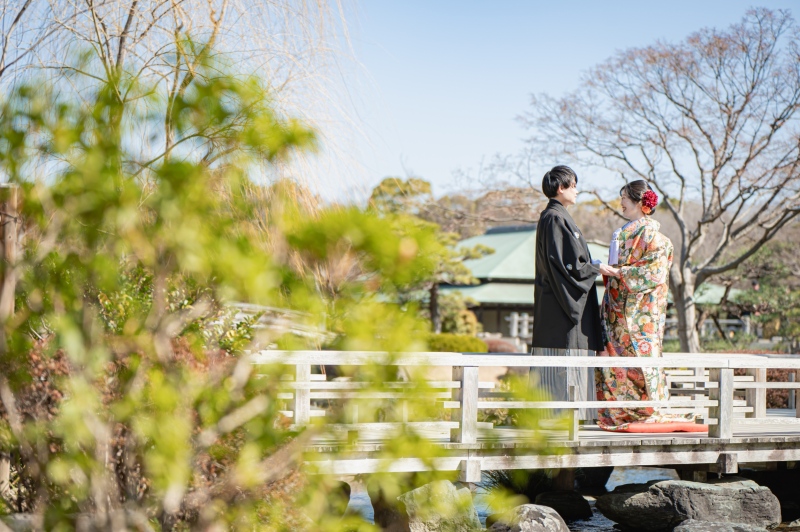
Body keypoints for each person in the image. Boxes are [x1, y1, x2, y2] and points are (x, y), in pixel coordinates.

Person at [595, 180, 692, 430]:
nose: (621, 202)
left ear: (640, 201)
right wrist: (615, 273)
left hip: (640, 312)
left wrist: (619, 273)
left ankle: (642, 411)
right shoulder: (623, 233)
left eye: (624, 197)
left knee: (642, 359)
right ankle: (620, 413)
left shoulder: (655, 237)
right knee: (616, 359)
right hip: (615, 309)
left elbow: (654, 272)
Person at [531, 165, 608, 420]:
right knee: (564, 372)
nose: (577, 191)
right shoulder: (555, 218)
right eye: (573, 185)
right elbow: (567, 266)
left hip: (555, 307)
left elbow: (570, 263)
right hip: (562, 310)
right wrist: (595, 267)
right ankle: (567, 425)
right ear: (560, 187)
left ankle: (563, 423)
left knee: (560, 374)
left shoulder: (556, 216)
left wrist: (591, 267)